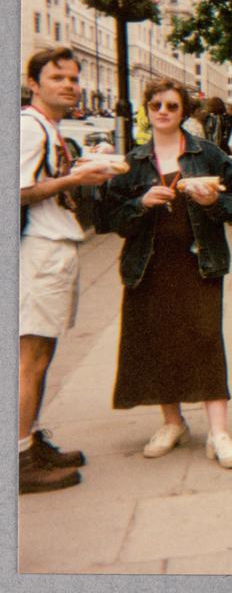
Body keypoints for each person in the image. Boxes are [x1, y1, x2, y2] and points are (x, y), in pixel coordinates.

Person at [101, 79, 232, 468]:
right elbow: (112, 219)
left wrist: (213, 200)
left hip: (199, 263)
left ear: (183, 111)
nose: (163, 112)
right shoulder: (134, 161)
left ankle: (219, 432)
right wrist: (141, 202)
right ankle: (173, 422)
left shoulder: (207, 154)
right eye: (156, 106)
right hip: (149, 266)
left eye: (171, 105)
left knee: (206, 339)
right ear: (147, 110)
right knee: (158, 342)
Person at [19, 48, 121, 494]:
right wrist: (75, 180)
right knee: (29, 360)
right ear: (34, 84)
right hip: (38, 251)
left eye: (74, 79)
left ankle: (29, 440)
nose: (69, 85)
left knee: (41, 356)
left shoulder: (47, 127)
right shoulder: (28, 126)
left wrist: (78, 168)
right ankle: (19, 458)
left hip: (52, 249)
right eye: (57, 77)